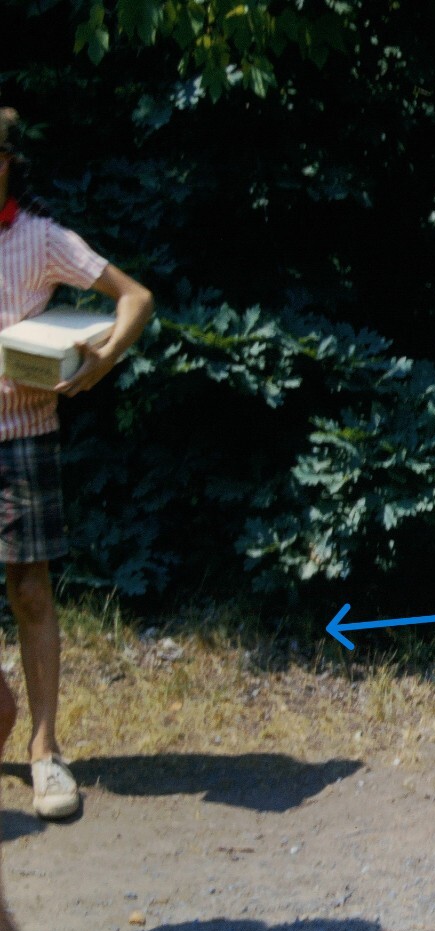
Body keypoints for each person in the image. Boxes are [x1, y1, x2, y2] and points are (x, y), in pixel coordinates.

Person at [0, 106, 153, 822]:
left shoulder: (41, 240)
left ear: (6, 164)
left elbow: (136, 298)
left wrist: (101, 359)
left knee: (30, 591)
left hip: (21, 435)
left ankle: (45, 751)